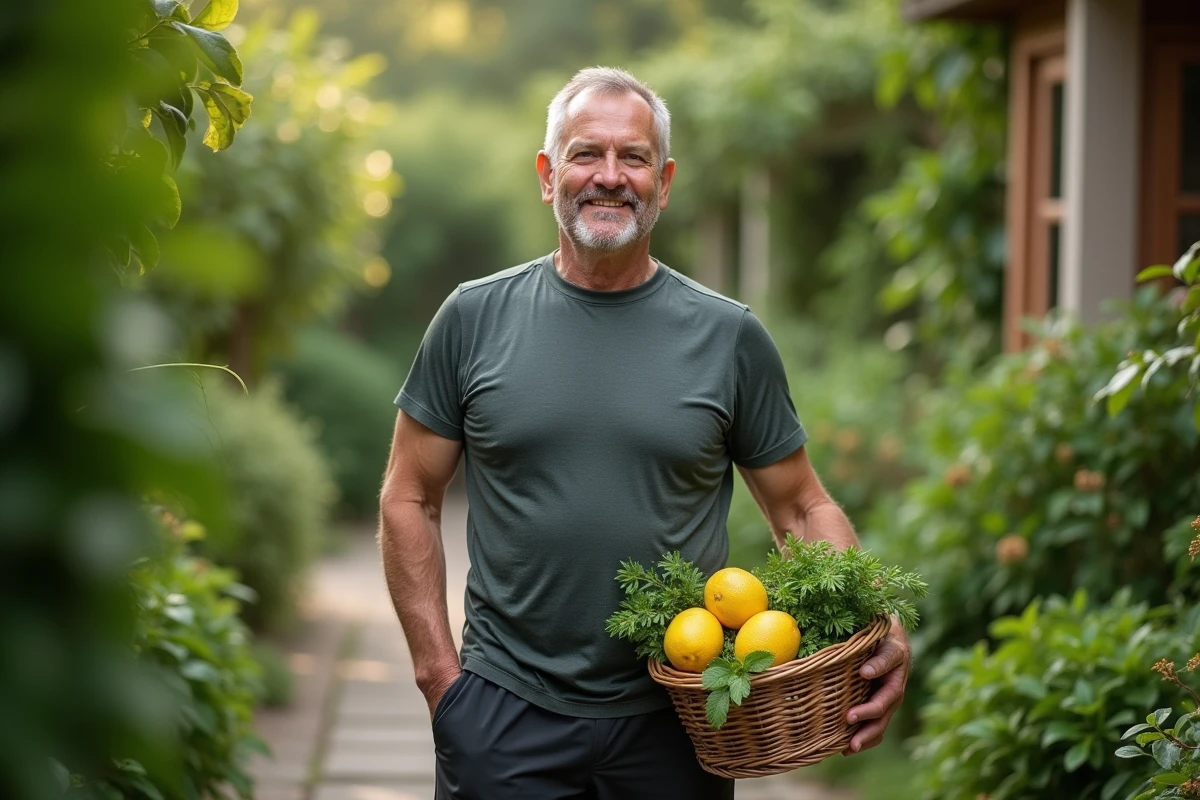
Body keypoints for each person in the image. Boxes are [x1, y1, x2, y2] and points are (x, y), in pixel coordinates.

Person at [377, 66, 911, 800]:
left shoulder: (729, 337)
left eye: (632, 158)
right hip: (503, 711)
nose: (609, 176)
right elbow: (409, 495)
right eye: (585, 153)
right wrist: (441, 681)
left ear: (663, 181)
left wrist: (871, 621)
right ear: (546, 173)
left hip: (683, 720)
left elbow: (799, 505)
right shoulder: (472, 319)